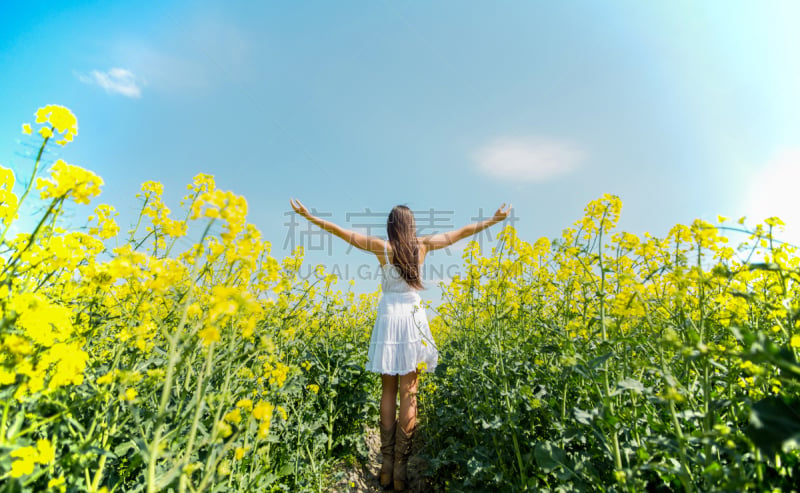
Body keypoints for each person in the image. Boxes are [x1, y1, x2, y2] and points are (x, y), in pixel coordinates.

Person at [289, 199, 512, 491]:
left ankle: (386, 466)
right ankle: (401, 472)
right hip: (412, 317)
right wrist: (493, 221)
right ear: (412, 225)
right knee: (410, 391)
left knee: (388, 391)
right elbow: (461, 233)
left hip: (388, 317)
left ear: (390, 226)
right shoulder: (423, 246)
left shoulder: (382, 248)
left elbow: (341, 232)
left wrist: (309, 216)